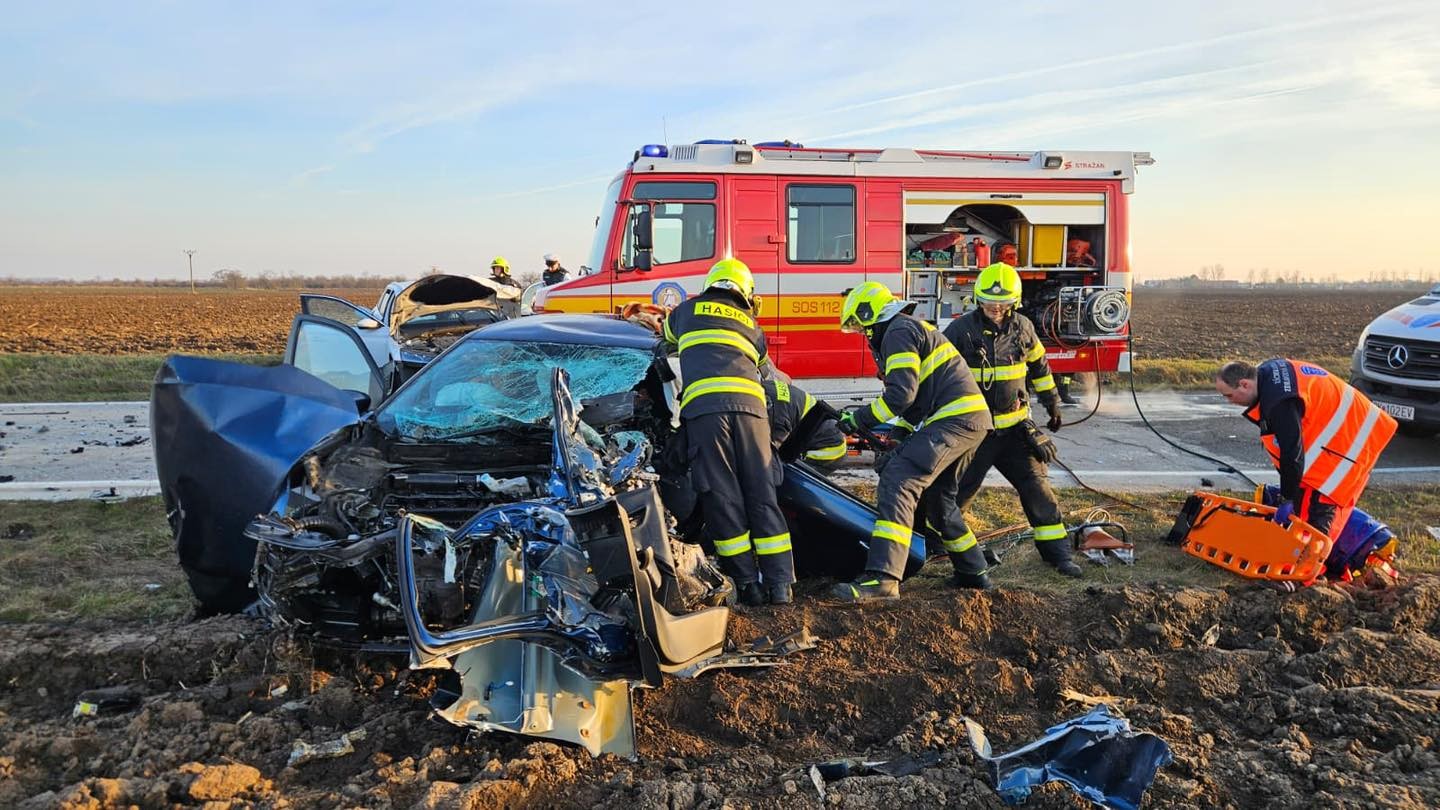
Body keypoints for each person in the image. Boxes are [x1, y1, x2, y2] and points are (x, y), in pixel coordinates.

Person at [831, 281, 994, 601]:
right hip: (969, 421)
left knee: (899, 479)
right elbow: (917, 400)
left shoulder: (897, 331)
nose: (866, 337)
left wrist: (858, 420)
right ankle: (973, 573)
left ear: (871, 315)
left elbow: (900, 395)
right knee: (938, 499)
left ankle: (882, 579)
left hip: (953, 420)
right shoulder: (910, 329)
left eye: (864, 329)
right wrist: (899, 434)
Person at [663, 258, 796, 606]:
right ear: (746, 292)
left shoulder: (685, 312)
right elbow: (767, 372)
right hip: (753, 414)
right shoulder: (753, 326)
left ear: (711, 284)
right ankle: (780, 586)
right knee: (762, 494)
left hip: (708, 414)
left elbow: (665, 339)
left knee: (723, 496)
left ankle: (747, 583)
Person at [944, 263, 1082, 577]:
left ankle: (1059, 557)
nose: (995, 308)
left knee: (1038, 492)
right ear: (977, 300)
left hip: (1017, 433)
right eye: (989, 303)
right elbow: (940, 373)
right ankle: (945, 550)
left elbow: (1040, 368)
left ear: (1014, 302)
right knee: (957, 495)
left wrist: (1053, 405)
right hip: (975, 433)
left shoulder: (1024, 328)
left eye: (1002, 303)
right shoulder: (959, 330)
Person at [1215, 359, 1397, 543]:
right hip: (1347, 430)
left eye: (1228, 395)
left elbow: (1291, 453)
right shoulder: (1267, 374)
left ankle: (1309, 565)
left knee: (1316, 515)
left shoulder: (1278, 402)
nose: (1229, 401)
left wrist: (1286, 498)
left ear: (1244, 384)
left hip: (1352, 441)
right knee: (1304, 503)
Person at [763, 378, 848, 471]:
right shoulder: (766, 386)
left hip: (826, 452)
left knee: (785, 474)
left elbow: (773, 457)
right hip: (827, 435)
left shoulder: (777, 417)